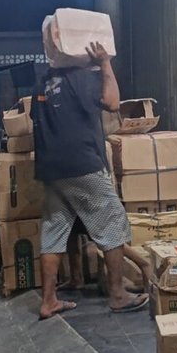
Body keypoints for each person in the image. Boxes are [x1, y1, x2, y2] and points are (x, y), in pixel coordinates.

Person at [33, 39, 147, 319]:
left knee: (54, 230)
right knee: (112, 223)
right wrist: (105, 63)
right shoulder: (82, 77)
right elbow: (113, 102)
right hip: (82, 163)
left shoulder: (43, 82)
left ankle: (48, 300)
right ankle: (118, 294)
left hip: (51, 167)